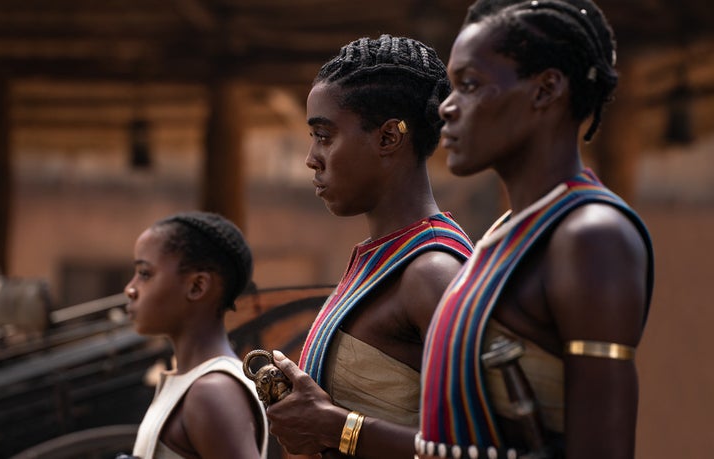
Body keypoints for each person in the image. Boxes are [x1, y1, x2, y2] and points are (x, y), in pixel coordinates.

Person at [416, 1, 655, 458]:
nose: (446, 107)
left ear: (546, 89)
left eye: (469, 85)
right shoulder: (504, 234)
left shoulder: (590, 237)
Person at [265, 35, 475, 459]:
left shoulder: (432, 272)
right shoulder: (382, 258)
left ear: (388, 138)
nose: (312, 158)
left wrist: (335, 428)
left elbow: (476, 448)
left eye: (325, 136)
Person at [123, 211, 268, 459]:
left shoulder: (213, 391)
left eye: (145, 274)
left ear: (197, 286)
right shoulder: (192, 383)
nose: (130, 289)